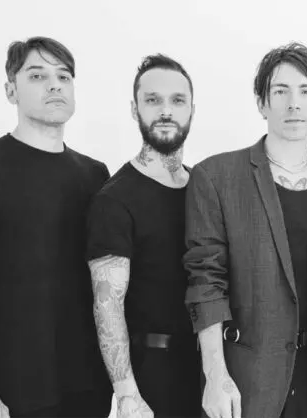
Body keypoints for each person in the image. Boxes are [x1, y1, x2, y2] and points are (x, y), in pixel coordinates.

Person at [0, 36, 112, 417]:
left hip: (89, 387)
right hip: (8, 392)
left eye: (64, 76)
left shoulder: (95, 175)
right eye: (37, 75)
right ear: (10, 90)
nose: (54, 85)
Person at [184, 42, 307, 418]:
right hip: (247, 381)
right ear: (261, 103)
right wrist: (214, 374)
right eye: (281, 92)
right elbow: (205, 281)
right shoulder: (216, 177)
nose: (294, 104)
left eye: (305, 92)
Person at [87, 54, 201, 418]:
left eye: (177, 100)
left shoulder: (204, 189)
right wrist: (127, 394)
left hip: (209, 371)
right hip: (152, 379)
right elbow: (107, 305)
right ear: (135, 109)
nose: (166, 111)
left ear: (192, 110)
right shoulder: (115, 199)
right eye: (153, 100)